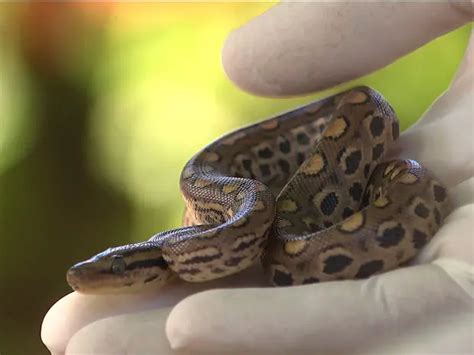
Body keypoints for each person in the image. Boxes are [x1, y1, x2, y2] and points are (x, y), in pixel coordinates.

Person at [42, 2, 473, 354]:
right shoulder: (215, 216)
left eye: (118, 265)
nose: (98, 274)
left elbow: (366, 104)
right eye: (113, 265)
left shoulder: (230, 215)